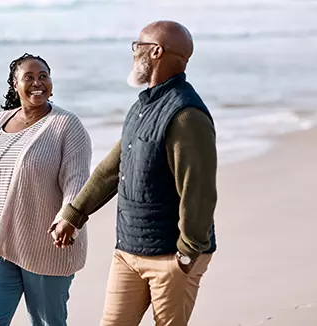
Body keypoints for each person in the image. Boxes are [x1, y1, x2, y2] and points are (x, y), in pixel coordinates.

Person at [49, 21, 217, 326]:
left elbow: (200, 191)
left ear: (156, 51)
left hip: (171, 256)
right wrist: (73, 215)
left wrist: (187, 253)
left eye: (137, 45)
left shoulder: (186, 115)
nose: (133, 52)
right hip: (128, 251)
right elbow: (112, 169)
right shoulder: (143, 106)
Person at [0, 53, 92, 326]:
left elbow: (77, 179)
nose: (37, 83)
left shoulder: (67, 125)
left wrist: (69, 218)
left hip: (45, 244)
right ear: (14, 84)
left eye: (43, 76)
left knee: (47, 322)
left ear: (52, 83)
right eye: (29, 77)